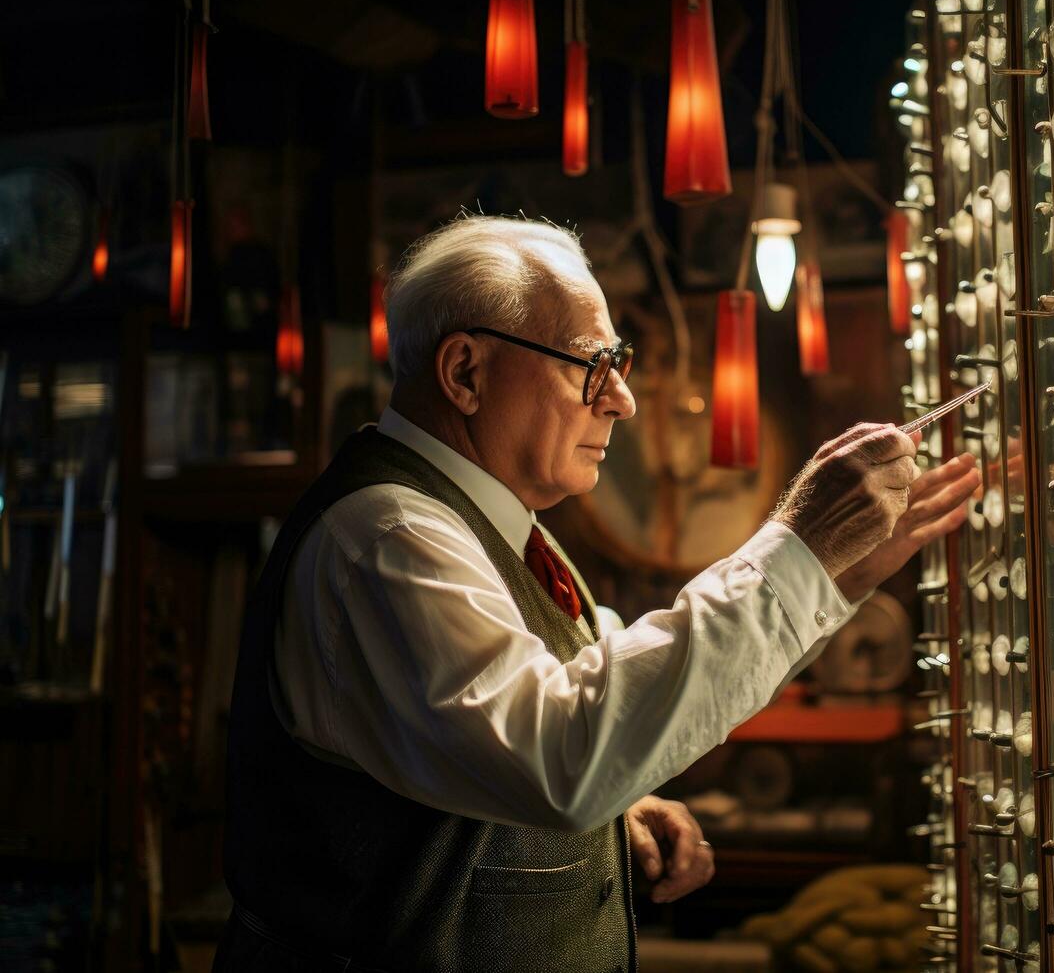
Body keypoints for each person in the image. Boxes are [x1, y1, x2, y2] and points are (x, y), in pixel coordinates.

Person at [214, 216, 981, 973]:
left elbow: (591, 689)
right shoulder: (389, 537)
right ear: (465, 373)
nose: (621, 400)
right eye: (591, 363)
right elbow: (562, 754)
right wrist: (796, 550)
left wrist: (833, 575)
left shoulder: (497, 525)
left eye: (619, 363)